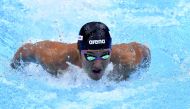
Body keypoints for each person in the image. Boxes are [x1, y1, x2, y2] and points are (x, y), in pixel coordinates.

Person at [10, 21, 151, 81]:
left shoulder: (128, 60)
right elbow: (25, 51)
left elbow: (145, 52)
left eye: (105, 55)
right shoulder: (53, 59)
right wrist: (14, 72)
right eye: (90, 56)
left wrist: (138, 74)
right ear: (79, 50)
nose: (98, 64)